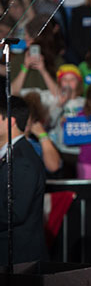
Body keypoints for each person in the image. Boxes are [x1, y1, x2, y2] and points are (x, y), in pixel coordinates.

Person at [0, 94, 47, 265]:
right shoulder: (10, 154)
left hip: (18, 259)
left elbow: (14, 212)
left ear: (10, 121)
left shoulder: (22, 160)